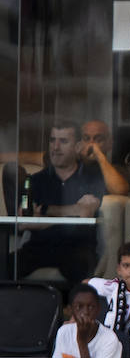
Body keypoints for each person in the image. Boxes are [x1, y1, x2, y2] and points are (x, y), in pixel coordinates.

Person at [14, 120, 106, 287]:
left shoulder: (91, 177)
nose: (55, 148)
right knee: (6, 263)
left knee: (80, 266)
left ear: (78, 147)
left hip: (76, 247)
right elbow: (22, 223)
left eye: (63, 141)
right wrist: (73, 210)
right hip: (40, 246)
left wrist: (45, 213)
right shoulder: (36, 180)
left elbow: (86, 213)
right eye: (52, 140)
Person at [51, 283, 123, 358]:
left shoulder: (109, 339)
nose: (85, 312)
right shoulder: (64, 332)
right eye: (79, 307)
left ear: (98, 309)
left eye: (91, 307)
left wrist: (82, 341)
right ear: (70, 310)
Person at [78, 120, 130, 197]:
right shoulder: (72, 166)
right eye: (86, 139)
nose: (91, 144)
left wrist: (99, 155)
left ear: (109, 144)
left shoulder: (118, 170)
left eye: (98, 140)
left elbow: (120, 191)